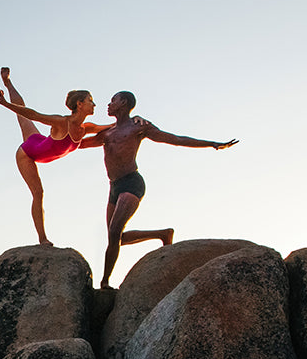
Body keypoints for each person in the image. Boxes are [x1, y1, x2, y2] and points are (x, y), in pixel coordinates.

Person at [82, 90, 237, 288]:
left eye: (114, 100)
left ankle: (104, 283)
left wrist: (212, 144)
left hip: (132, 183)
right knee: (116, 239)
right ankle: (162, 234)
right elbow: (75, 144)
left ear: (125, 103)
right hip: (113, 186)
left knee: (114, 232)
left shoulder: (138, 127)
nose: (109, 104)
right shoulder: (106, 133)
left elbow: (175, 139)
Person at [0, 67, 106, 247]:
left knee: (23, 120)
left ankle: (8, 82)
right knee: (38, 193)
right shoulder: (62, 122)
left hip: (38, 141)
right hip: (28, 152)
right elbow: (33, 114)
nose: (94, 104)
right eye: (90, 101)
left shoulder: (86, 128)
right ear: (80, 105)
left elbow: (113, 127)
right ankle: (43, 239)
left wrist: (138, 120)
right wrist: (6, 104)